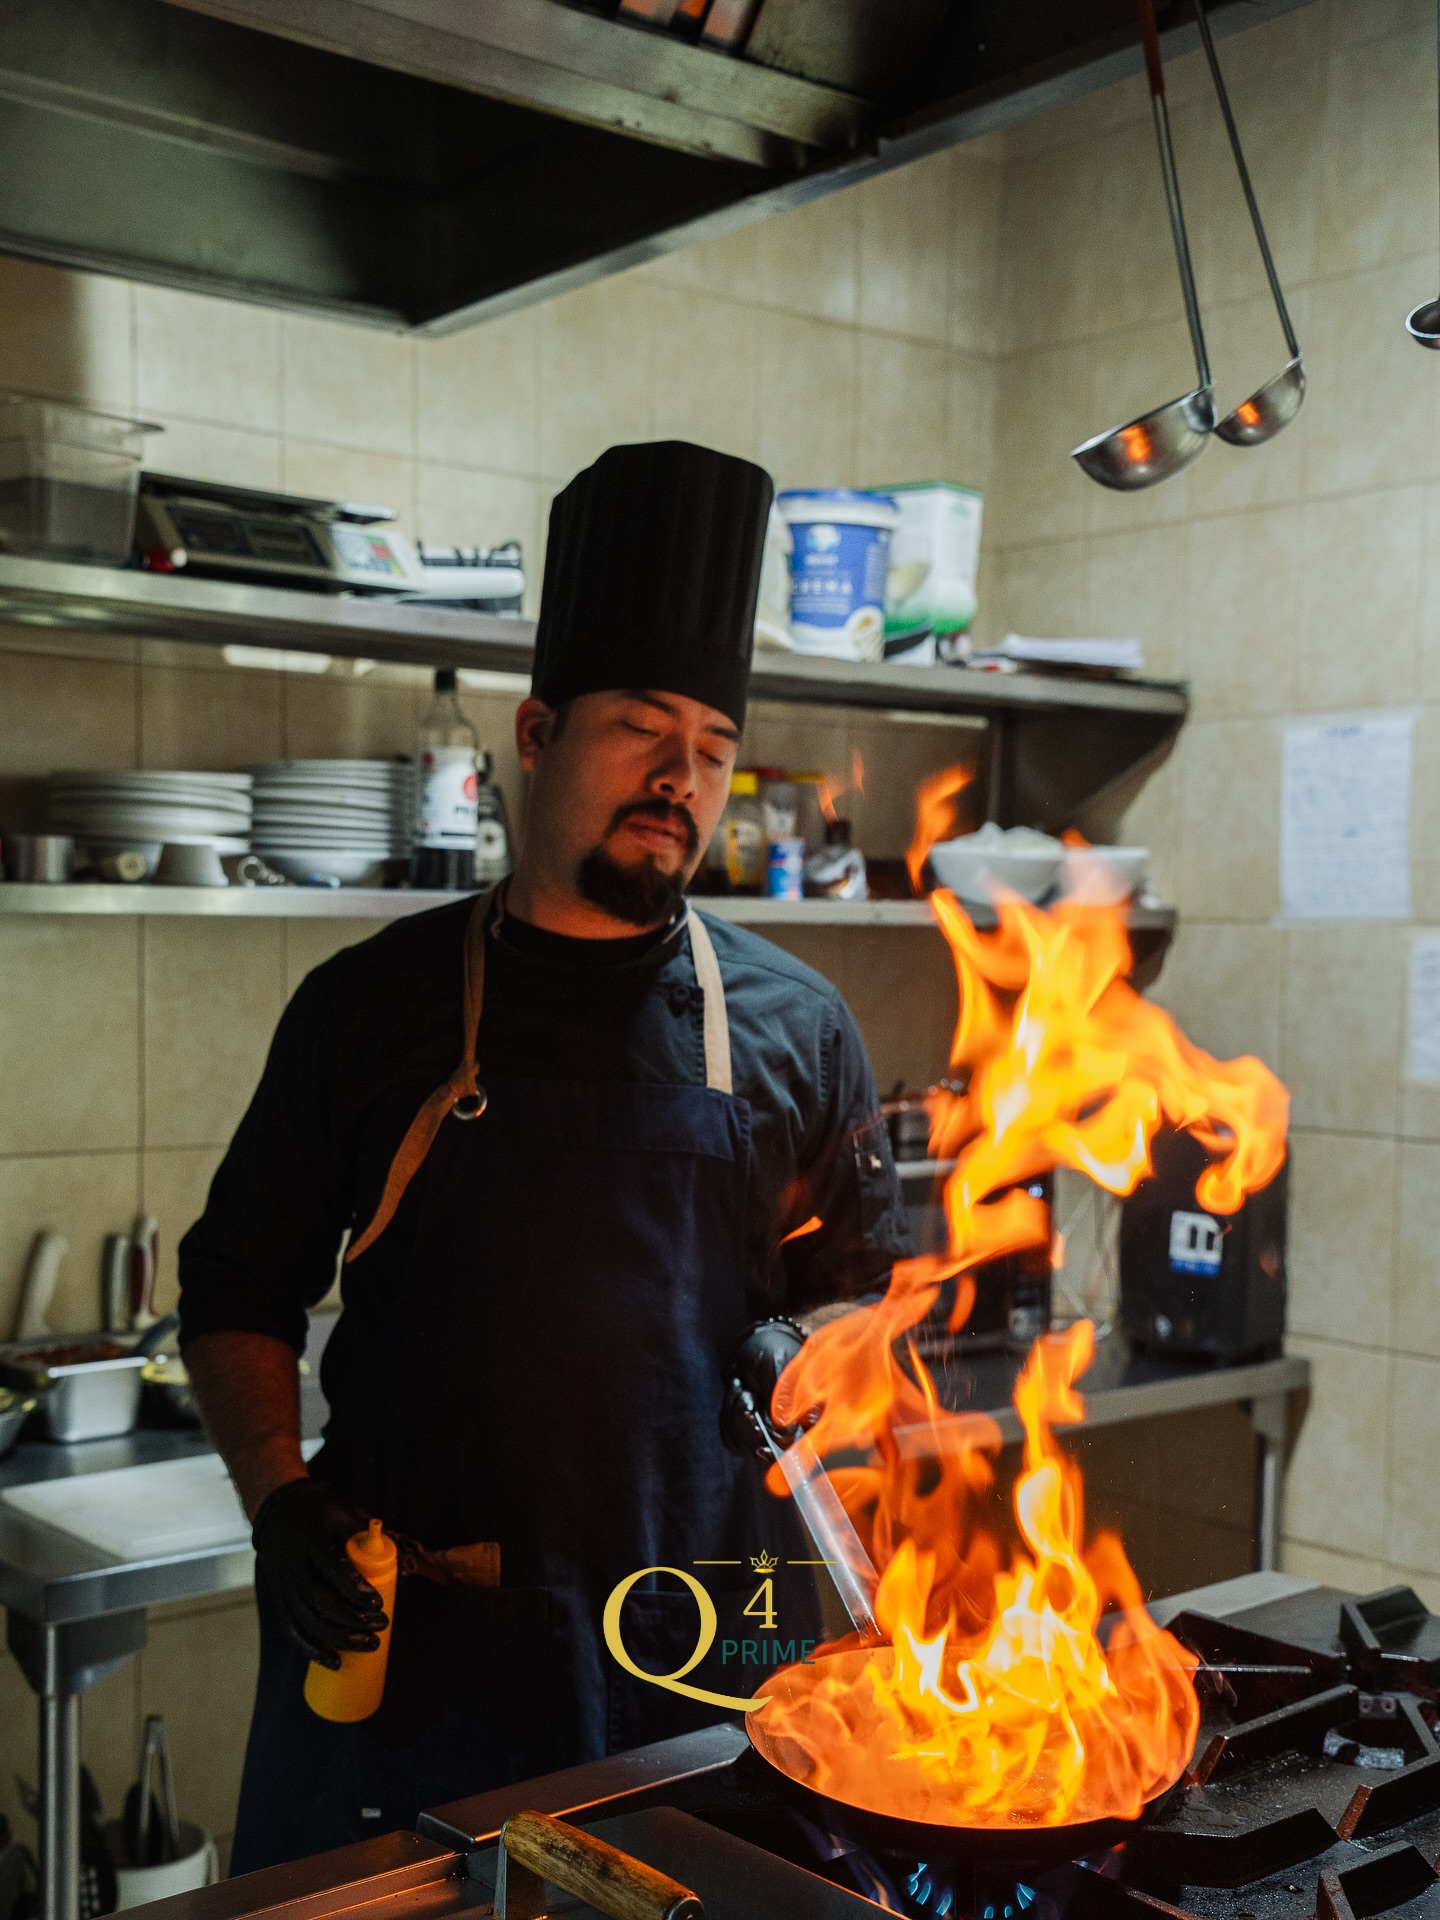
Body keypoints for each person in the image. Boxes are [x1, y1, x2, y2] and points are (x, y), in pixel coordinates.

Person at [178, 440, 912, 1873]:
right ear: (533, 734)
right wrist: (281, 1496)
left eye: (711, 748)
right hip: (432, 1678)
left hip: (711, 1665)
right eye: (643, 729)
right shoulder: (370, 1010)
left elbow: (878, 1304)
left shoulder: (794, 1027)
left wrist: (818, 1342)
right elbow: (235, 1289)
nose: (681, 778)